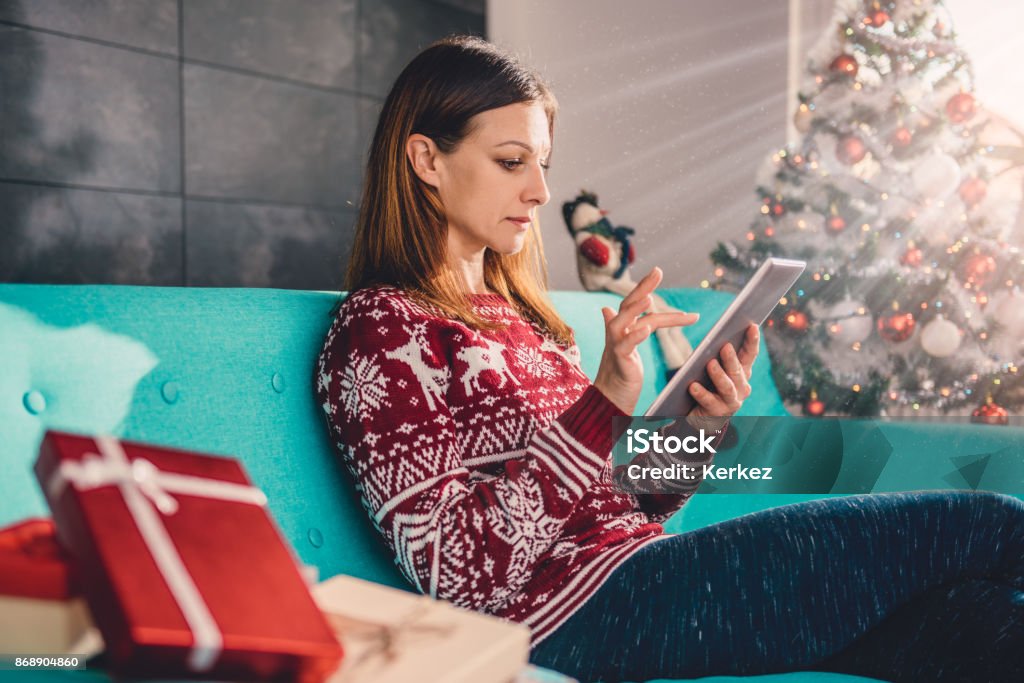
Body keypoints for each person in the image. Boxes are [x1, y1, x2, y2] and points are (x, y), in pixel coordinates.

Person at [315, 35, 1024, 683]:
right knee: (984, 523)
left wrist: (697, 425)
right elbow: (464, 574)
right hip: (577, 617)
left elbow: (624, 499)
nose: (540, 190)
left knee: (980, 626)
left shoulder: (529, 321)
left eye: (542, 163)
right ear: (426, 159)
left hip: (643, 575)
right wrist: (603, 404)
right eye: (511, 162)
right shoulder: (380, 329)